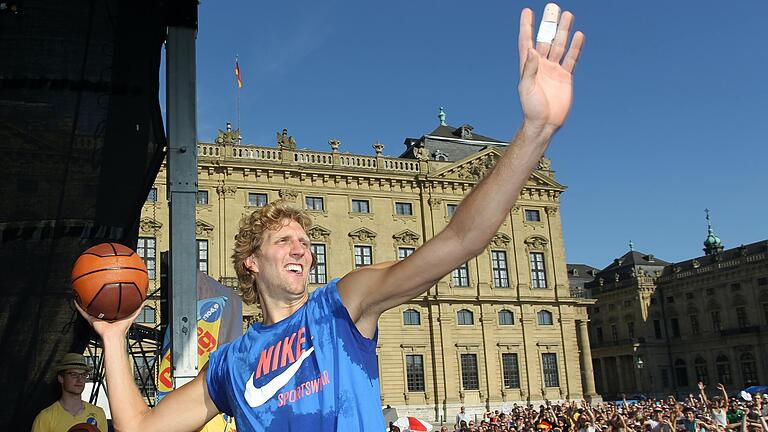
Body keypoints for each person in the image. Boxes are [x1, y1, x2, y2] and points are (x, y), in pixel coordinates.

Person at [75, 3, 585, 431]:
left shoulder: (344, 306)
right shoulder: (229, 364)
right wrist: (115, 337)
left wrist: (535, 130)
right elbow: (139, 427)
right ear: (250, 262)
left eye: (305, 239)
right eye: (284, 240)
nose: (302, 247)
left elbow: (462, 239)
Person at [32, 353, 108, 432]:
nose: (79, 380)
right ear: (61, 378)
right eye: (74, 374)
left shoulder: (98, 413)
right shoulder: (45, 417)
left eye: (83, 375)